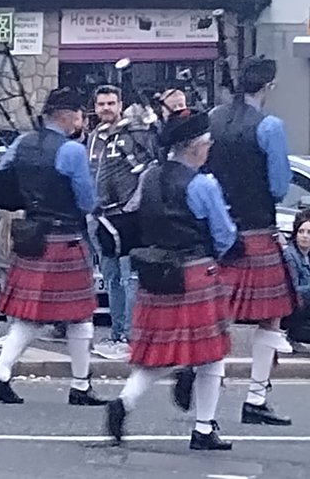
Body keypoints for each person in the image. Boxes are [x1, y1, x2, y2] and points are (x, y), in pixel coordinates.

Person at [105, 110, 236, 451]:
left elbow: (133, 213)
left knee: (156, 353)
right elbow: (223, 235)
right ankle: (204, 428)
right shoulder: (202, 184)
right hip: (195, 272)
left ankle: (124, 401)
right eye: (207, 144)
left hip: (154, 271)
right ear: (194, 147)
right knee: (213, 354)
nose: (209, 149)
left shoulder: (149, 176)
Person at [0, 87, 108, 407]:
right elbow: (85, 199)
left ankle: (1, 371)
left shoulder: (21, 143)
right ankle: (81, 386)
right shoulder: (72, 151)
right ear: (66, 116)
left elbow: (0, 180)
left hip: (31, 234)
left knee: (29, 317)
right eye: (79, 114)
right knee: (80, 316)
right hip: (65, 237)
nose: (81, 120)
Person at [206, 57, 296, 426]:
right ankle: (256, 397)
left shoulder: (213, 117)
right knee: (271, 318)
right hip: (257, 230)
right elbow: (278, 186)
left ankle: (200, 378)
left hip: (219, 230)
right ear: (268, 86)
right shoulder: (270, 126)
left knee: (214, 317)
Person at [87, 85, 162, 361]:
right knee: (111, 279)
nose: (106, 108)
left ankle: (131, 335)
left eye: (111, 103)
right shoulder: (94, 137)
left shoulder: (136, 133)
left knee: (130, 278)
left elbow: (152, 167)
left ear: (120, 104)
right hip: (101, 218)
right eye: (101, 103)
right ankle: (117, 333)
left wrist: (135, 203)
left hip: (130, 217)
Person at [281, 211, 310, 350]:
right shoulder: (290, 255)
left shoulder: (308, 255)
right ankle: (292, 335)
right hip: (293, 306)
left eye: (309, 232)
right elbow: (293, 289)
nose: (304, 236)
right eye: (301, 231)